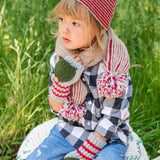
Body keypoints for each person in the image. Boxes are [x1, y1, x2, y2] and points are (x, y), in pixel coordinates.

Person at [26, 0, 133, 159]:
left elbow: (113, 116)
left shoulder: (113, 65)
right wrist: (61, 83)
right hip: (69, 130)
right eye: (62, 19)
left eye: (75, 23)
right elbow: (55, 107)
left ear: (100, 28)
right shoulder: (60, 57)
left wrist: (85, 153)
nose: (65, 29)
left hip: (108, 137)